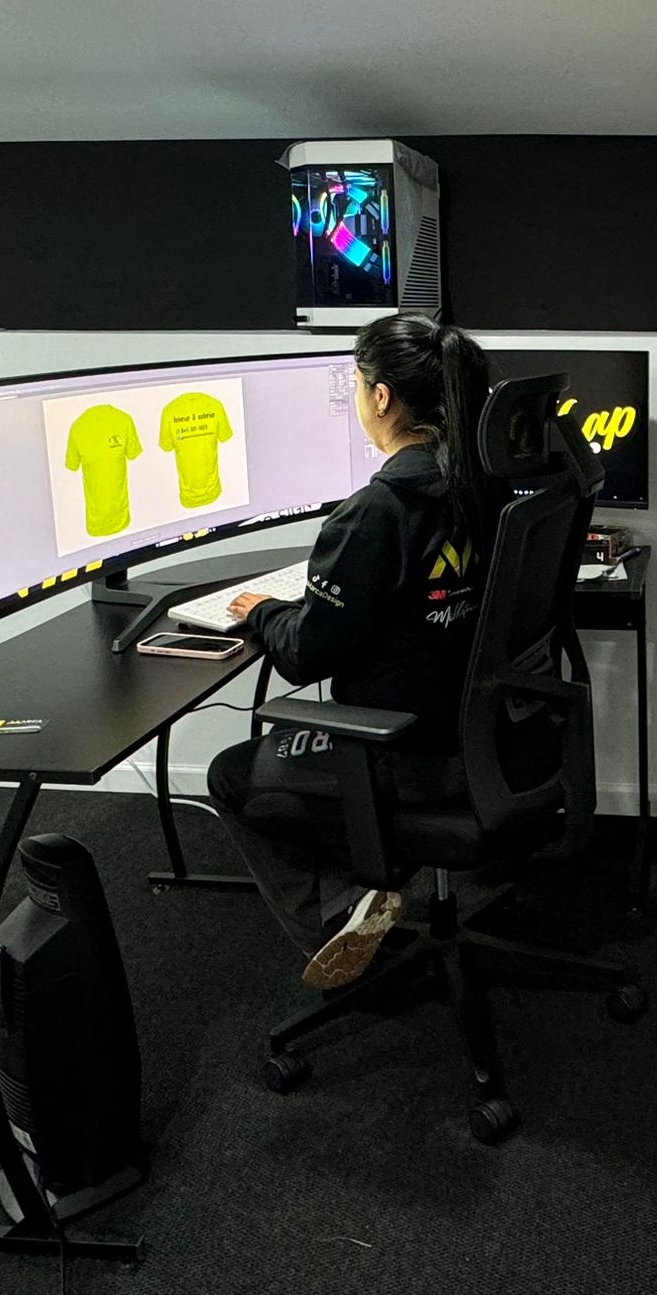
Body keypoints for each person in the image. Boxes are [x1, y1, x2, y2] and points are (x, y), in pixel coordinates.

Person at [207, 313, 501, 989]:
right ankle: (374, 880)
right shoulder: (483, 484)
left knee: (231, 775)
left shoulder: (379, 509)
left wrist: (265, 612)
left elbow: (307, 656)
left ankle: (341, 918)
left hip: (404, 752)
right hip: (488, 739)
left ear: (381, 397)